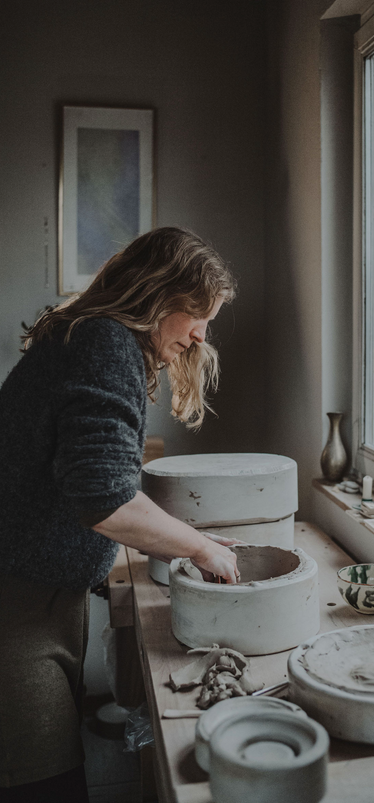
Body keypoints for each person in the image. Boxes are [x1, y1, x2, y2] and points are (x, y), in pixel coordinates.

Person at [0, 227, 240, 802]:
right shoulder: (105, 341)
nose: (203, 334)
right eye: (197, 314)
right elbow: (102, 496)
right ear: (158, 296)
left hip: (39, 593)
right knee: (46, 786)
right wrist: (202, 548)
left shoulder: (84, 335)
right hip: (16, 607)